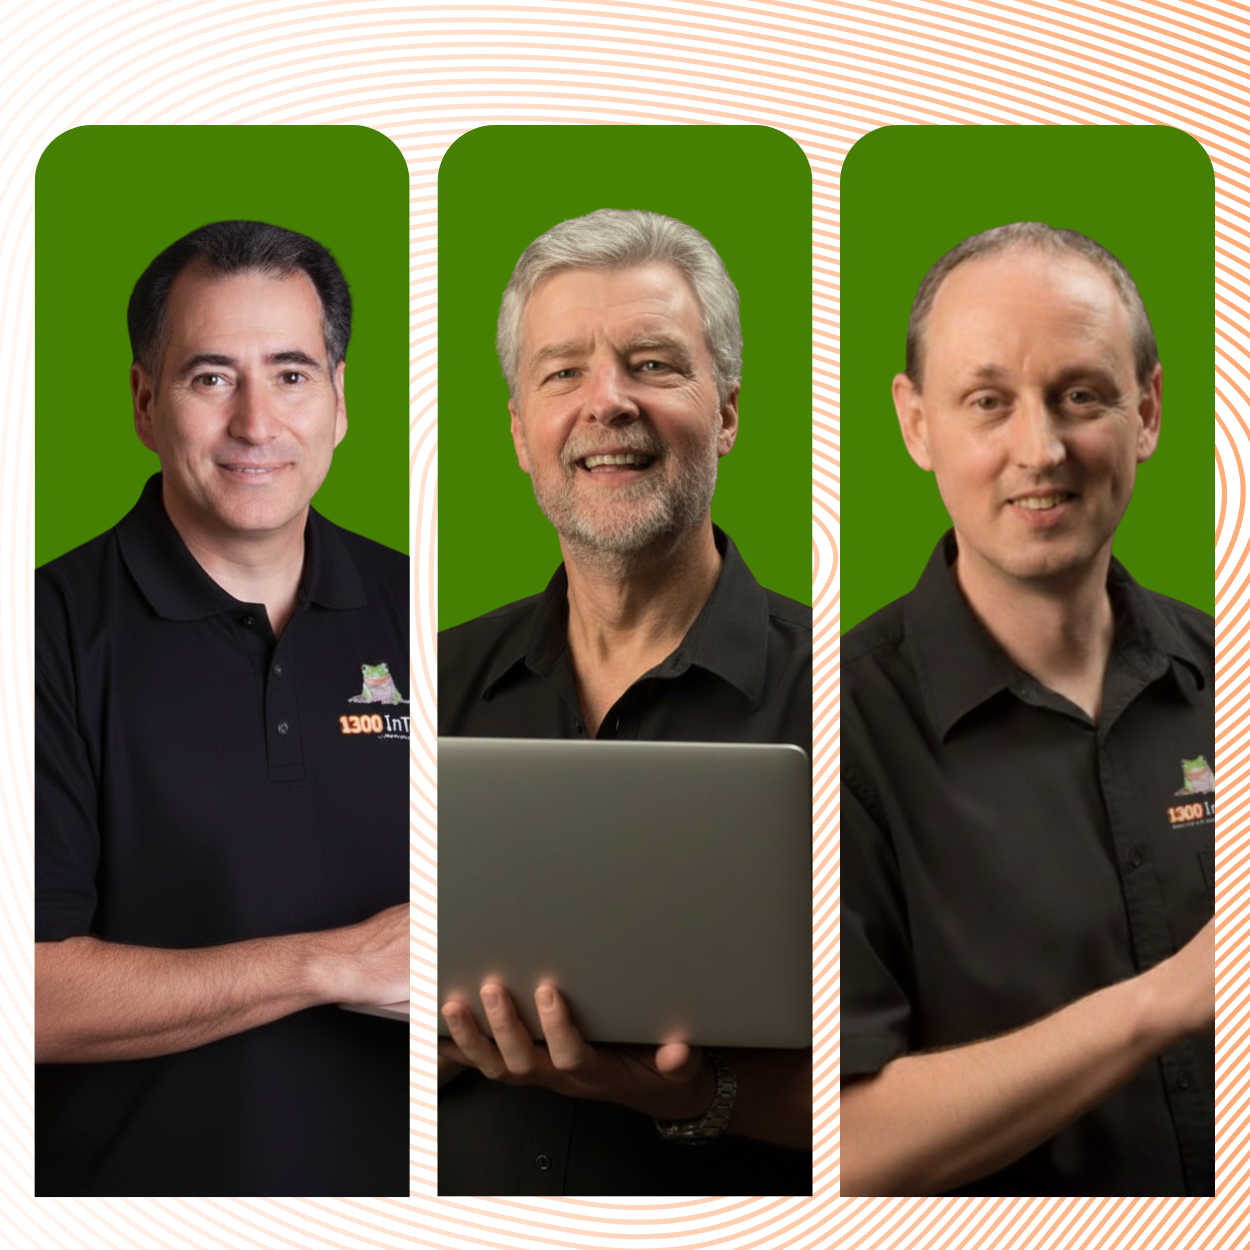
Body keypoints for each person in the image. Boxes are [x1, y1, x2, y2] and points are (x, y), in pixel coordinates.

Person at [437, 209, 813, 1195]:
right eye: (563, 372)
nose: (607, 401)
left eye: (652, 365)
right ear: (518, 432)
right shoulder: (424, 684)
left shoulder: (850, 696)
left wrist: (697, 1090)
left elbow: (918, 1083)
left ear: (727, 413)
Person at [35, 221, 410, 1196]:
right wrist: (329, 966)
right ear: (144, 401)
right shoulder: (43, 635)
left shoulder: (422, 612)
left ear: (339, 400)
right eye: (211, 377)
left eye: (291, 374)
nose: (256, 422)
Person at [840, 222, 1214, 1196]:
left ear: (1147, 410)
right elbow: (847, 1143)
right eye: (988, 402)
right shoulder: (833, 729)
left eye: (1080, 396)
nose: (1040, 449)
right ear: (915, 424)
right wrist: (1168, 999)